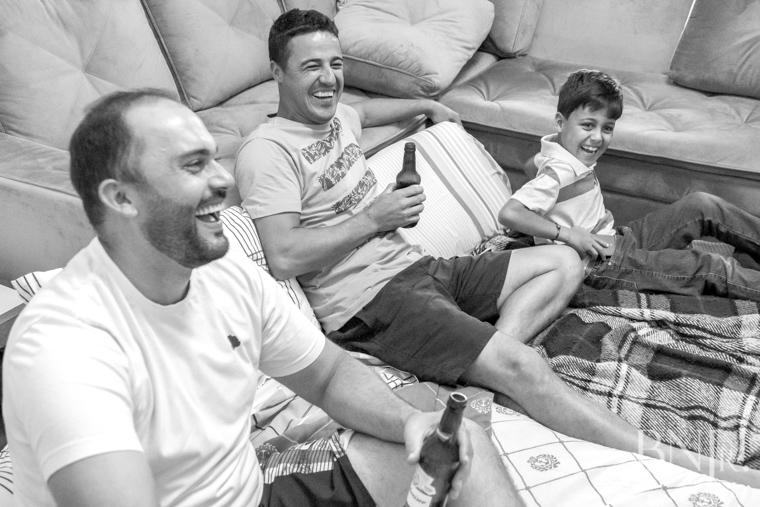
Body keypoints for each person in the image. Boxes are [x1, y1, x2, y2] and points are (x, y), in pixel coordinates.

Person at [235, 10, 760, 487]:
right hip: (373, 304)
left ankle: (489, 358)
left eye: (335, 64)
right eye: (310, 67)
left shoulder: (339, 117)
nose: (329, 78)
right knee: (525, 366)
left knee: (566, 260)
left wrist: (429, 104)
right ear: (278, 72)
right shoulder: (268, 151)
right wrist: (374, 218)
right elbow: (284, 255)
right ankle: (691, 464)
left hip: (422, 270)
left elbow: (368, 112)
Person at [1, 90, 522, 507]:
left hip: (255, 493)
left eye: (214, 158)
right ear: (121, 198)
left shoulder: (224, 273)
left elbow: (328, 375)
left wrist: (411, 422)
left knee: (461, 448)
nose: (224, 179)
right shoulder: (63, 350)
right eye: (193, 165)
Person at [499, 68, 760, 303]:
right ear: (560, 121)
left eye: (607, 128)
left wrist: (543, 165)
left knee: (702, 205)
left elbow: (531, 166)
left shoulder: (558, 147)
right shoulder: (558, 172)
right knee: (710, 267)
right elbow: (510, 213)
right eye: (588, 125)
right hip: (602, 263)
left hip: (616, 238)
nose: (597, 137)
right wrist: (567, 234)